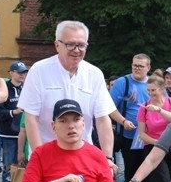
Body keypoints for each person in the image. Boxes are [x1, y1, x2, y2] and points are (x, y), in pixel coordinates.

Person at [17, 20, 116, 163]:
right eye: (70, 44)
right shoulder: (39, 71)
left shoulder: (94, 74)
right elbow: (31, 118)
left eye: (81, 45)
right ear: (57, 45)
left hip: (83, 158)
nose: (76, 50)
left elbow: (102, 119)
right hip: (47, 156)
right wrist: (40, 157)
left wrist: (107, 157)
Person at [108, 54, 152, 182]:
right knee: (131, 173)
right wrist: (123, 121)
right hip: (129, 137)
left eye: (141, 66)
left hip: (149, 138)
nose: (137, 68)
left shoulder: (153, 84)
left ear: (148, 67)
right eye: (135, 65)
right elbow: (109, 107)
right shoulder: (123, 83)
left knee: (150, 175)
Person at [0, 61, 27, 182]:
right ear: (11, 73)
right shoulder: (4, 89)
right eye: (19, 71)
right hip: (8, 134)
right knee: (8, 167)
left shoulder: (27, 88)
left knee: (29, 167)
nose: (22, 74)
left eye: (24, 72)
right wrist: (13, 112)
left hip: (26, 133)